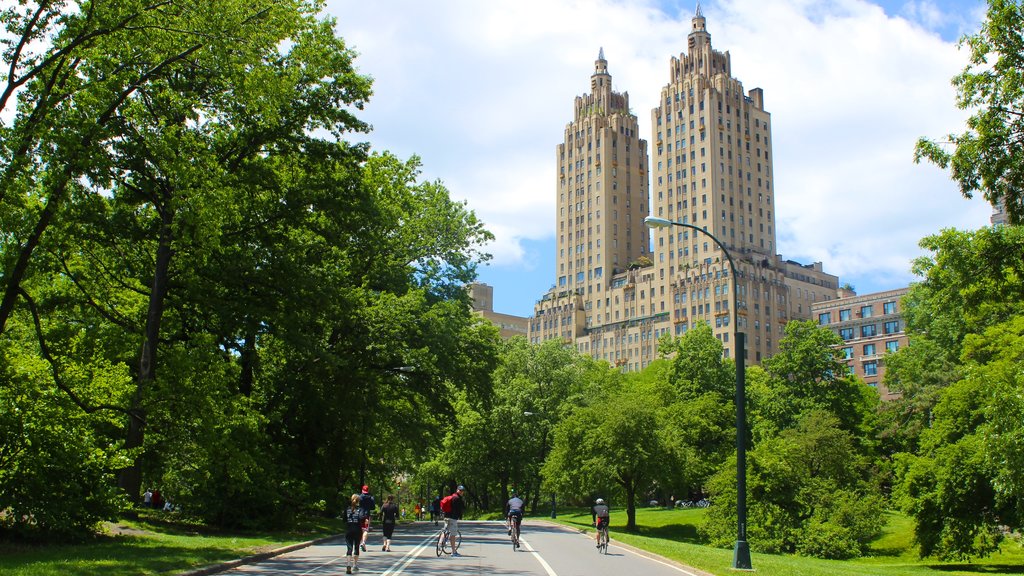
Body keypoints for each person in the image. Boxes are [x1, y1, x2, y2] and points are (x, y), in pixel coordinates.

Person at [344, 493, 364, 574]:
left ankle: (348, 564)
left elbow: (344, 519)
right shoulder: (360, 509)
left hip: (349, 530)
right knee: (356, 547)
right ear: (358, 501)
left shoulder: (347, 509)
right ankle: (354, 565)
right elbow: (361, 518)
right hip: (357, 530)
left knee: (349, 548)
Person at [446, 485, 466, 557]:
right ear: (457, 490)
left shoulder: (451, 496)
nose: (461, 492)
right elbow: (459, 509)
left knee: (445, 530)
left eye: (462, 491)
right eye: (460, 490)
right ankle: (453, 552)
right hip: (453, 518)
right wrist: (460, 516)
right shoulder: (457, 498)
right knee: (453, 534)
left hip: (446, 516)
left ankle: (440, 544)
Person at [359, 485, 376, 552]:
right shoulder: (371, 498)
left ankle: (360, 543)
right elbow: (373, 507)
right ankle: (363, 543)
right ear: (368, 490)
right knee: (365, 530)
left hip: (360, 515)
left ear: (362, 490)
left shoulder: (359, 497)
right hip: (366, 516)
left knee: (360, 529)